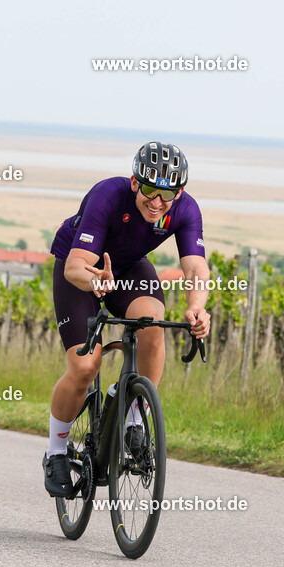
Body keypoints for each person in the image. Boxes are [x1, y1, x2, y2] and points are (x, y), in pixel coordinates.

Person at [42, 142, 212, 496]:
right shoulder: (108, 194)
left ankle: (133, 411)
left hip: (127, 269)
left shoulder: (185, 209)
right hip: (81, 268)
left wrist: (198, 306)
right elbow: (75, 267)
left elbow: (195, 265)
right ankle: (56, 451)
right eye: (149, 189)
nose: (157, 202)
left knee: (152, 320)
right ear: (135, 182)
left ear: (178, 192)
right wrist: (95, 281)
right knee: (85, 366)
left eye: (166, 194)